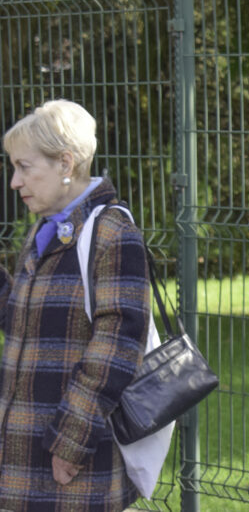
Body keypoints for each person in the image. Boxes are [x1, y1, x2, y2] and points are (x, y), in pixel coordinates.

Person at [0, 100, 150, 511]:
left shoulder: (112, 233)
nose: (14, 182)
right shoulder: (45, 230)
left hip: (72, 461)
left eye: (24, 167)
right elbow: (23, 324)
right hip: (27, 447)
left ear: (65, 162)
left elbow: (118, 348)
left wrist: (71, 441)